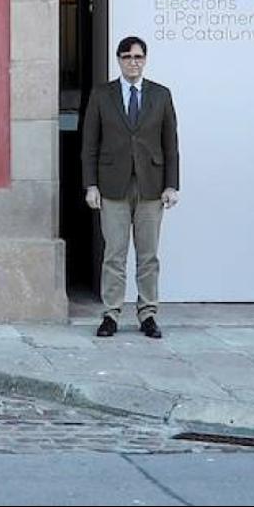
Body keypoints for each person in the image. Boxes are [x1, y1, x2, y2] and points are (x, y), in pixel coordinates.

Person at [82, 36, 180, 338]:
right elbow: (90, 144)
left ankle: (148, 313)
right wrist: (91, 185)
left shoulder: (161, 95)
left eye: (137, 56)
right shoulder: (102, 95)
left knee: (148, 254)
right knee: (114, 253)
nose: (132, 61)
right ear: (119, 60)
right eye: (126, 57)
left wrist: (172, 185)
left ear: (145, 59)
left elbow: (170, 143)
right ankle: (111, 314)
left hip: (151, 186)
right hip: (112, 186)